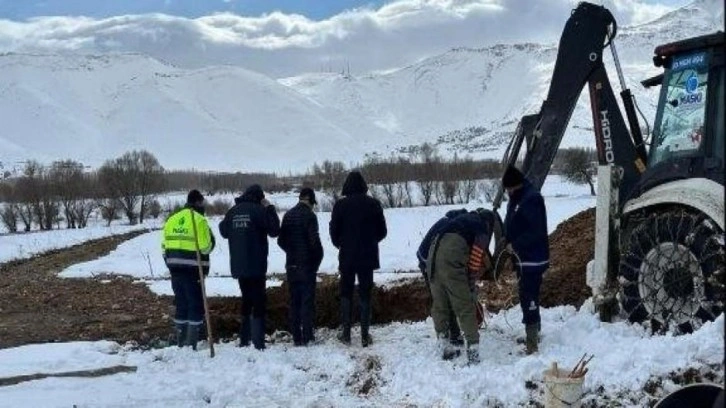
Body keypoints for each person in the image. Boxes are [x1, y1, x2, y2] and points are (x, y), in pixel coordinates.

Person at [426, 208, 494, 364]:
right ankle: (473, 352)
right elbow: (475, 262)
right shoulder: (482, 228)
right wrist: (470, 287)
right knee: (465, 306)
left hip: (433, 257)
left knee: (440, 304)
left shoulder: (462, 221)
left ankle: (443, 344)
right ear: (488, 223)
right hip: (450, 257)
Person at [329, 171, 387, 347]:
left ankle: (346, 334)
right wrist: (370, 242)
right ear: (363, 185)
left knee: (346, 292)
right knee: (365, 293)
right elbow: (382, 231)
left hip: (347, 255)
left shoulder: (340, 205)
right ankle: (364, 335)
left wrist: (342, 244)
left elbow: (334, 232)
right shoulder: (374, 204)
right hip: (367, 256)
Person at [219, 184, 280, 350]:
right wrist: (270, 208)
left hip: (239, 266)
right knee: (259, 300)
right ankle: (258, 341)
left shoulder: (233, 211)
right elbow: (275, 230)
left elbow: (223, 231)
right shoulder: (259, 211)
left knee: (246, 299)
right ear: (260, 198)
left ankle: (244, 339)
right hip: (256, 264)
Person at [501, 165, 549, 355]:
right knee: (526, 295)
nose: (508, 193)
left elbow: (535, 231)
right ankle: (534, 333)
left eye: (509, 189)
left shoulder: (532, 199)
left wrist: (516, 245)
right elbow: (513, 221)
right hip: (522, 259)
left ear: (516, 184)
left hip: (533, 258)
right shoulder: (517, 198)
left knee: (529, 297)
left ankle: (532, 344)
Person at [162, 189, 215, 350]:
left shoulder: (172, 219)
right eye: (203, 203)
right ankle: (192, 341)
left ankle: (181, 340)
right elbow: (206, 247)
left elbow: (164, 247)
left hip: (175, 270)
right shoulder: (199, 220)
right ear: (198, 202)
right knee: (195, 304)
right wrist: (212, 241)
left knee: (182, 303)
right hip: (193, 270)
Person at [278, 188, 324, 346]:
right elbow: (315, 243)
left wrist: (291, 252)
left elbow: (280, 241)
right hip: (306, 266)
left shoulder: (288, 215)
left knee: (294, 301)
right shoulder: (310, 216)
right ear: (310, 200)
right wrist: (316, 261)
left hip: (291, 265)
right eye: (313, 203)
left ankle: (296, 337)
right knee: (306, 302)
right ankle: (308, 336)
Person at [416, 208, 468, 346]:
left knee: (448, 300)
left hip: (433, 262)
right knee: (442, 301)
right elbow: (427, 252)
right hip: (428, 263)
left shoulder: (448, 223)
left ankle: (454, 335)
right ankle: (446, 338)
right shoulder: (447, 226)